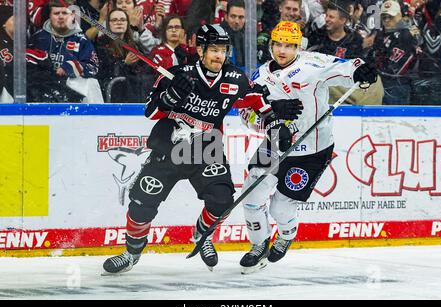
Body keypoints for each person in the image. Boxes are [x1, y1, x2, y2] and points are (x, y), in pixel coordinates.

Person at [102, 24, 289, 274]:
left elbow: (256, 100)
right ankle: (131, 253)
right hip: (169, 148)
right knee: (141, 204)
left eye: (223, 50)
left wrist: (276, 122)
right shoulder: (177, 74)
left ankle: (202, 235)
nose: (219, 56)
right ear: (200, 50)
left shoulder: (234, 79)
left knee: (222, 202)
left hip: (206, 148)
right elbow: (151, 111)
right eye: (213, 49)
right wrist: (172, 95)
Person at [238, 20, 377, 274]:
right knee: (251, 196)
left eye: (289, 45)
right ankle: (258, 244)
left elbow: (346, 68)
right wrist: (266, 126)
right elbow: (245, 114)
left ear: (298, 46)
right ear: (270, 44)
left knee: (280, 207)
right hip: (275, 145)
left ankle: (287, 233)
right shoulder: (259, 76)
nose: (282, 50)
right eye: (278, 43)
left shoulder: (313, 64)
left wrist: (361, 72)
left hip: (312, 150)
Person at [95, 8, 153, 102]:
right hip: (112, 92)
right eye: (114, 20)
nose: (119, 22)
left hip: (134, 92)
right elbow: (103, 72)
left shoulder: (133, 44)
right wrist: (124, 63)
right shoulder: (101, 43)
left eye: (122, 20)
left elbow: (145, 69)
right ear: (108, 24)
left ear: (127, 24)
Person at [220, 0, 246, 69]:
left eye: (241, 17)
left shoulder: (250, 36)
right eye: (233, 16)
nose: (237, 21)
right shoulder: (218, 37)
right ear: (226, 17)